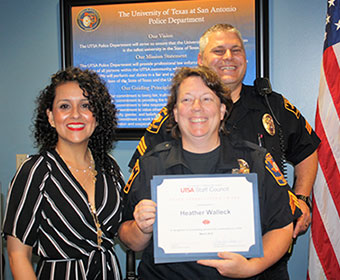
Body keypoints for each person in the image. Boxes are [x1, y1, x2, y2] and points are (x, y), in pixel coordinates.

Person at [128, 24, 319, 240]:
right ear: (201, 60)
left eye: (236, 50)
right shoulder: (177, 115)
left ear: (245, 59)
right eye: (218, 51)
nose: (228, 57)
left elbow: (307, 149)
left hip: (266, 247)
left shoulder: (273, 105)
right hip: (190, 248)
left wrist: (302, 197)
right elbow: (142, 175)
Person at [119, 66, 302, 280]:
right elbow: (127, 237)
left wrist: (251, 268)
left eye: (207, 99)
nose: (197, 108)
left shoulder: (256, 160)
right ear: (176, 113)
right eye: (187, 100)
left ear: (223, 109)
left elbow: (282, 227)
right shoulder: (151, 164)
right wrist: (142, 228)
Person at [2, 67, 124, 279]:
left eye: (86, 105)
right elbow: (17, 254)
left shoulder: (109, 167)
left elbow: (127, 227)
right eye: (65, 106)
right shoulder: (35, 171)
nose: (76, 114)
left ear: (97, 116)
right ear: (50, 116)